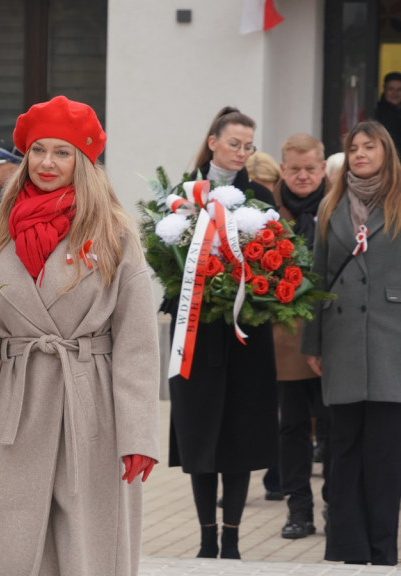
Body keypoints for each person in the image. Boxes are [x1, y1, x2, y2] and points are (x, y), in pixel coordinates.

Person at [0, 96, 160, 576]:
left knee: (89, 536)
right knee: (21, 539)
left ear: (83, 160)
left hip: (93, 402)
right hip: (22, 404)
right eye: (38, 150)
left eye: (62, 152)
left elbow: (138, 344)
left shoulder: (113, 234)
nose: (46, 163)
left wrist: (139, 435)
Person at [167, 106, 278, 559]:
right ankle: (206, 536)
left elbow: (278, 262)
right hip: (195, 334)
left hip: (246, 334)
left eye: (248, 146)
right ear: (213, 141)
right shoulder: (182, 195)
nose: (241, 152)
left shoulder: (261, 198)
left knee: (240, 432)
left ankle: (231, 539)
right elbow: (165, 257)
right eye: (234, 143)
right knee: (200, 431)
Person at [301, 120, 401, 566]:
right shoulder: (330, 206)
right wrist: (312, 342)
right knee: (342, 448)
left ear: (386, 152)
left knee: (384, 451)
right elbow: (317, 279)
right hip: (340, 341)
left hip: (391, 341)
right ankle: (347, 547)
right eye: (354, 148)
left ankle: (382, 548)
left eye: (370, 146)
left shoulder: (398, 203)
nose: (361, 154)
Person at [269, 133, 332, 540]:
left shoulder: (338, 207)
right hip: (287, 342)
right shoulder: (265, 213)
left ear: (323, 168)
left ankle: (335, 507)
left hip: (331, 340)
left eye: (311, 168)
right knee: (291, 429)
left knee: (333, 430)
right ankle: (299, 510)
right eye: (295, 169)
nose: (303, 176)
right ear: (283, 169)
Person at [245, 149, 285, 502]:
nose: (263, 191)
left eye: (269, 184)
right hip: (252, 320)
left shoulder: (281, 216)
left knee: (285, 405)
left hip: (282, 323)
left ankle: (278, 473)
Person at [374, 72, 401, 153]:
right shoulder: (375, 111)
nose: (395, 93)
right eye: (391, 89)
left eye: (399, 90)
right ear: (384, 89)